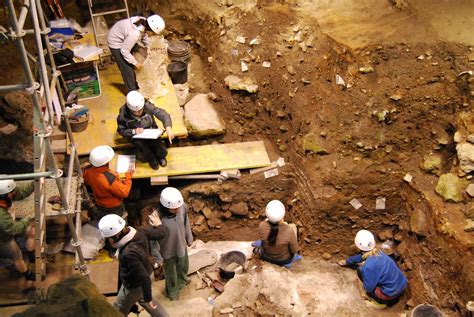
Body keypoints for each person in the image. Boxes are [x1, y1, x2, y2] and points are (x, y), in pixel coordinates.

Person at [98, 214, 169, 317]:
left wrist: (148, 298)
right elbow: (161, 233)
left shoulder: (129, 254)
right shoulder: (139, 231)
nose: (108, 241)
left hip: (135, 284)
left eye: (108, 238)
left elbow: (144, 279)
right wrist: (159, 225)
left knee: (118, 309)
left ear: (116, 235)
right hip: (148, 270)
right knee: (144, 298)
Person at [338, 229, 407, 307]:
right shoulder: (380, 251)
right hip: (401, 284)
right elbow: (361, 257)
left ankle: (380, 300)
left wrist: (366, 286)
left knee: (360, 270)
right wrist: (347, 261)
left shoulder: (368, 266)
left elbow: (369, 288)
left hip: (390, 294)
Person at [117, 90, 175, 170]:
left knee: (157, 142)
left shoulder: (147, 105)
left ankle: (161, 156)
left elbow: (162, 114)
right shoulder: (123, 115)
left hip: (151, 130)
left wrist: (168, 128)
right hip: (136, 135)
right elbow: (121, 130)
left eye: (140, 110)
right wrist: (133, 131)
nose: (139, 113)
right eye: (135, 112)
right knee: (141, 146)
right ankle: (151, 159)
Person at [107, 14, 165, 92]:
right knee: (128, 68)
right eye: (153, 33)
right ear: (150, 29)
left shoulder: (144, 22)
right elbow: (124, 51)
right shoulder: (135, 34)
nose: (153, 35)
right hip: (116, 43)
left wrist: (147, 47)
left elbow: (145, 35)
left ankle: (135, 83)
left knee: (142, 51)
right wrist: (136, 63)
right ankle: (132, 91)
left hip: (124, 37)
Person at [156, 187, 193, 300]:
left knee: (183, 265)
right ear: (165, 207)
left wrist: (189, 238)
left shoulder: (182, 208)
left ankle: (183, 279)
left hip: (181, 244)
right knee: (170, 272)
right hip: (167, 249)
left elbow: (186, 223)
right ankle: (173, 291)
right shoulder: (156, 217)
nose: (177, 210)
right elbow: (154, 240)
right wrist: (157, 257)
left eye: (178, 207)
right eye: (174, 209)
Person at [83, 145, 134, 220]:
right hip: (113, 207)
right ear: (106, 162)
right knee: (116, 220)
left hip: (99, 203)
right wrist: (128, 176)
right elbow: (124, 193)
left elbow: (87, 182)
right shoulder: (109, 178)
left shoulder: (88, 172)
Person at [0, 179, 36, 280]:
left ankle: (31, 254)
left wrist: (34, 183)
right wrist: (27, 218)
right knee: (16, 255)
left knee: (31, 230)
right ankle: (27, 274)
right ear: (4, 195)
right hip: (3, 238)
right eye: (12, 192)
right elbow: (13, 229)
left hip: (8, 225)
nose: (14, 193)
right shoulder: (1, 214)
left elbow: (20, 193)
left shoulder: (4, 195)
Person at [256, 200, 300, 267]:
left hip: (266, 256)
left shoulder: (262, 225)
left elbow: (270, 231)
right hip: (283, 260)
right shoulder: (289, 230)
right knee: (293, 226)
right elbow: (294, 250)